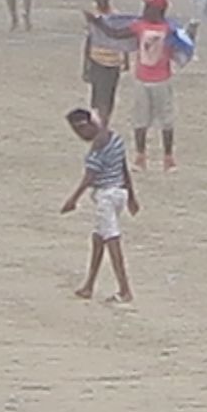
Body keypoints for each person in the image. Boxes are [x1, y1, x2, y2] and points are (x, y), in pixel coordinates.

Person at [60, 107, 137, 303]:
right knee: (98, 237)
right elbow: (123, 167)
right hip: (119, 192)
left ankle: (124, 289)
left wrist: (73, 199)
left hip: (106, 196)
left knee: (112, 239)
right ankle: (89, 285)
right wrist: (131, 196)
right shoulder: (114, 139)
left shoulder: (97, 149)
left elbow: (90, 177)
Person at [128, 0, 188, 171]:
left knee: (166, 120)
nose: (144, 10)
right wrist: (99, 23)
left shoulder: (169, 30)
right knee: (140, 120)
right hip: (142, 79)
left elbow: (183, 43)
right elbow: (117, 33)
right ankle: (140, 156)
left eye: (148, 7)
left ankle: (168, 157)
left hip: (162, 80)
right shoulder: (138, 26)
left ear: (158, 11)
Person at [82, 0, 134, 124]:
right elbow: (89, 39)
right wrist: (85, 65)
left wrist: (126, 60)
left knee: (110, 94)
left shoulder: (116, 16)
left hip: (113, 61)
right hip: (96, 59)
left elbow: (123, 39)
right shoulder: (93, 15)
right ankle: (98, 121)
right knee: (97, 94)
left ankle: (105, 122)